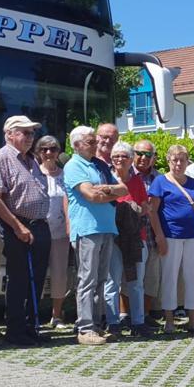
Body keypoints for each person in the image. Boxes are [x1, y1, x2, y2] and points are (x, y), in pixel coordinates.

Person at [0, 116, 55, 346]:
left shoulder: (31, 160)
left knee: (36, 280)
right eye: (24, 133)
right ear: (9, 134)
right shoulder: (0, 158)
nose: (29, 137)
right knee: (19, 280)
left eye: (31, 133)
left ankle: (31, 326)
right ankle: (15, 331)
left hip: (39, 225)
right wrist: (18, 227)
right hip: (17, 225)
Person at [63, 125, 127, 346]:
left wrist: (104, 189)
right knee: (87, 280)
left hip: (106, 228)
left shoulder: (99, 164)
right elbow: (90, 195)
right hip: (87, 228)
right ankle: (85, 327)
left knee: (101, 280)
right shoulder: (73, 166)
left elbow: (124, 189)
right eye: (91, 142)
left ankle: (97, 326)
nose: (97, 144)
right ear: (77, 145)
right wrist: (107, 191)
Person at [148, 145, 194, 335]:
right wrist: (159, 236)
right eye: (174, 160)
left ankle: (193, 320)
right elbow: (152, 212)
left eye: (182, 160)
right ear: (168, 161)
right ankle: (169, 320)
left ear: (187, 162)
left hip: (193, 236)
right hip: (170, 236)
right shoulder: (160, 182)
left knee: (192, 278)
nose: (178, 164)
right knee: (170, 277)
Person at [107, 142, 151, 338]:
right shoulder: (106, 179)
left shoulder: (137, 181)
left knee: (136, 282)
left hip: (135, 237)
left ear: (131, 160)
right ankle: (113, 322)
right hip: (114, 237)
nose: (119, 159)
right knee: (112, 281)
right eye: (116, 156)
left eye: (124, 156)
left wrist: (134, 210)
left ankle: (138, 322)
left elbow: (145, 207)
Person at [36, 135, 71, 329]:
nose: (49, 153)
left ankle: (57, 316)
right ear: (38, 152)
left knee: (59, 274)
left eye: (53, 149)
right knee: (37, 274)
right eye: (44, 149)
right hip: (38, 232)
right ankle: (32, 314)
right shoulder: (33, 173)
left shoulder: (65, 174)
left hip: (60, 233)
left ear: (58, 152)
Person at [133, 140, 164, 321]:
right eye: (139, 153)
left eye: (148, 155)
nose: (143, 158)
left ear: (153, 158)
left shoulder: (159, 178)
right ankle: (127, 315)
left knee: (151, 278)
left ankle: (144, 315)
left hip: (153, 236)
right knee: (128, 278)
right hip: (131, 236)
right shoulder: (126, 175)